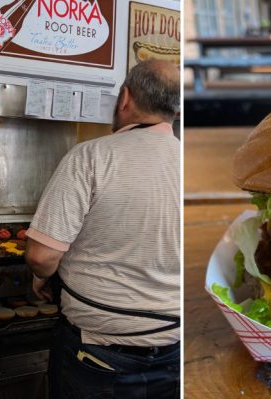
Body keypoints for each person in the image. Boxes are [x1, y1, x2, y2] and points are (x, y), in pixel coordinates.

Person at [25, 60, 180, 399]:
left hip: (96, 354)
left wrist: (41, 276)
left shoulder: (90, 157)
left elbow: (41, 255)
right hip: (175, 353)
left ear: (125, 98)